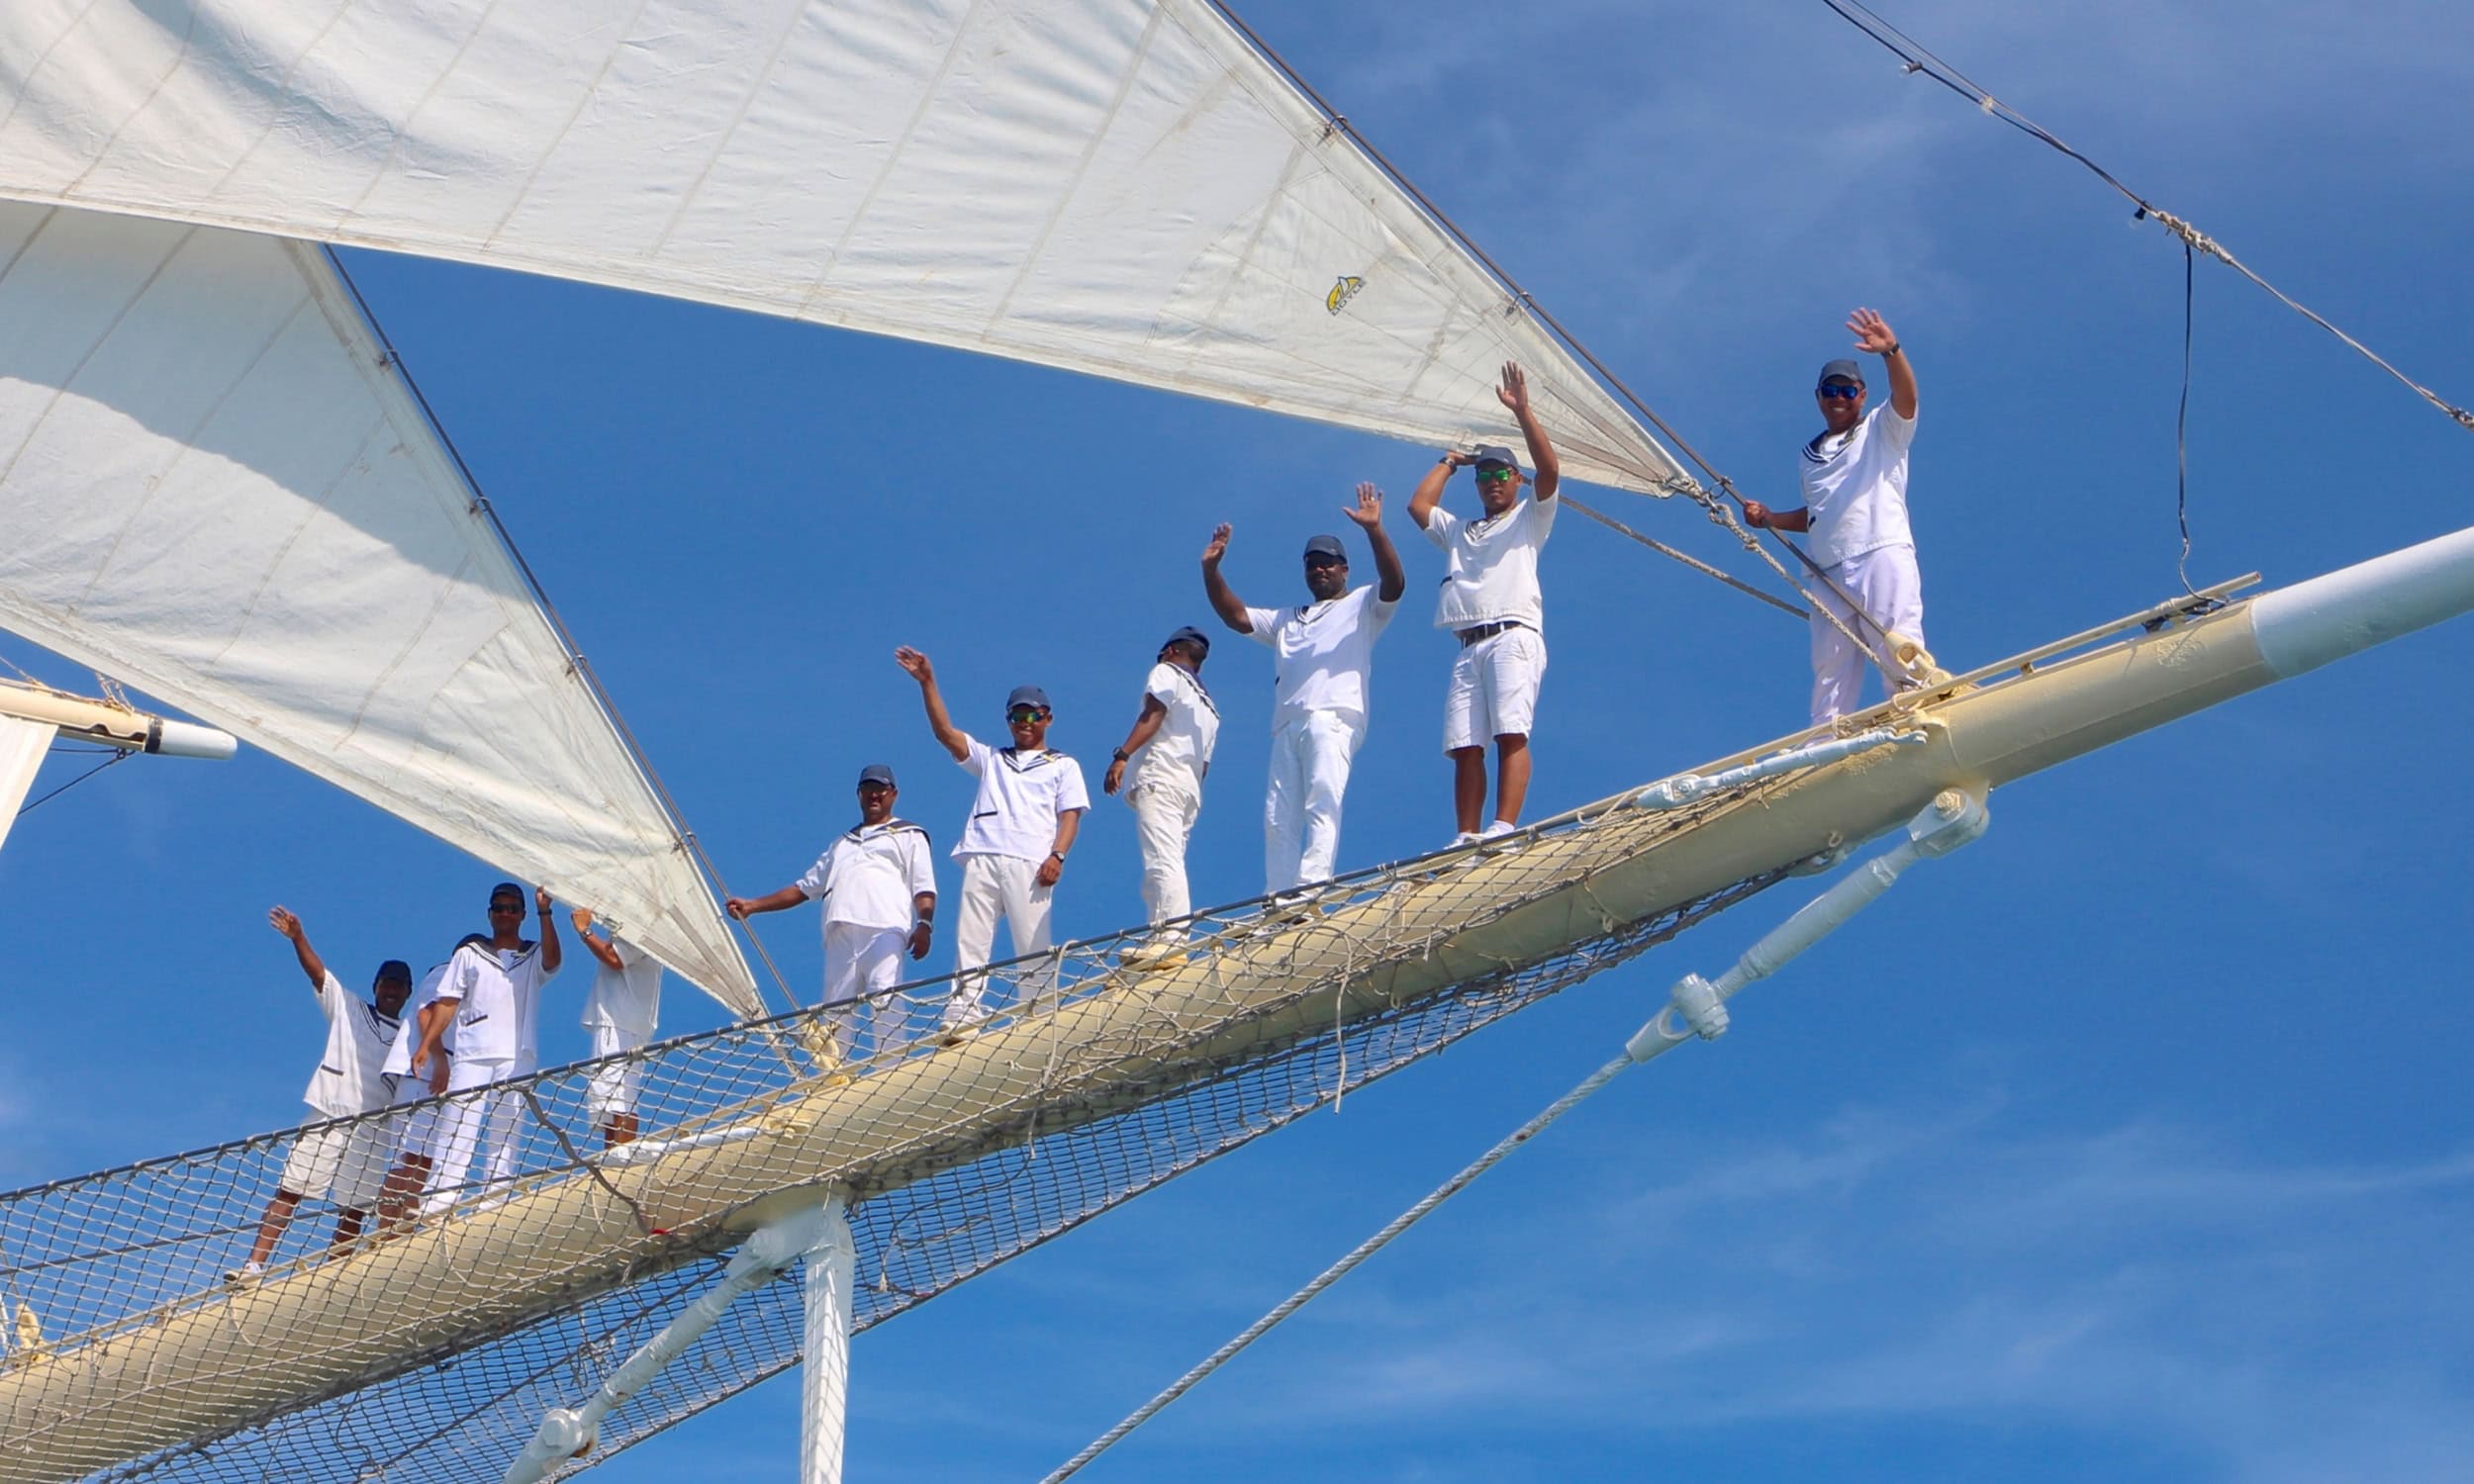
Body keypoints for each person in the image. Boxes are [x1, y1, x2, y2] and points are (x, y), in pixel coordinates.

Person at [1202, 481, 1404, 893]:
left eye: (1329, 563)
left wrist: (1374, 530)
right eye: (1313, 564)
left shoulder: (1362, 604)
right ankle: (1280, 898)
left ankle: (1310, 887)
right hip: (1287, 725)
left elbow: (1394, 583)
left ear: (1344, 569)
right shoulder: (1287, 619)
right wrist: (1211, 571)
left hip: (1334, 717)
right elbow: (1235, 616)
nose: (1320, 570)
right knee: (1278, 818)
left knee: (1323, 798)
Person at [1741, 307, 1925, 726]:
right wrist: (1771, 518)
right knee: (1830, 664)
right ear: (1819, 397)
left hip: (1878, 549)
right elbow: (1817, 515)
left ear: (1862, 395)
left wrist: (1891, 352)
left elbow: (1907, 399)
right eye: (1831, 390)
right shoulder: (1810, 456)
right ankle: (1826, 735)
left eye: (1848, 391)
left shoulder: (1881, 429)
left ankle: (1915, 706)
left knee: (1898, 640)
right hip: (1827, 569)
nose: (1839, 398)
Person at [893, 650, 1088, 1036]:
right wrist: (928, 682)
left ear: (1047, 718)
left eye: (1032, 716)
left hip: (1031, 861)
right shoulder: (993, 759)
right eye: (1017, 717)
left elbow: (1070, 816)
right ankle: (963, 1013)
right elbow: (946, 734)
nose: (1024, 724)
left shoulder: (1063, 765)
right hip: (983, 855)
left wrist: (1058, 855)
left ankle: (1038, 1015)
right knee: (971, 940)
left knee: (1033, 942)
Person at [1406, 362, 1562, 843]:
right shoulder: (1461, 531)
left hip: (1512, 634)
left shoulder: (1529, 519)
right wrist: (1452, 461)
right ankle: (1467, 835)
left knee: (1511, 732)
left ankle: (1502, 826)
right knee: (1465, 745)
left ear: (1516, 479)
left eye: (1501, 474)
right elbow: (1418, 506)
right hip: (1468, 644)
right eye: (1486, 476)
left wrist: (1522, 413)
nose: (1493, 481)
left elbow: (1549, 471)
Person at [229, 908, 412, 1283]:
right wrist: (298, 937)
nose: (391, 991)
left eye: (398, 986)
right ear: (376, 986)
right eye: (386, 984)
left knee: (355, 1207)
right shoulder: (351, 1008)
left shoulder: (410, 1036)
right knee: (292, 1188)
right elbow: (319, 975)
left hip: (374, 1128)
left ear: (408, 992)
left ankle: (334, 1274)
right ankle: (254, 1265)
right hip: (329, 1113)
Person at [726, 764, 936, 1060]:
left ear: (893, 794)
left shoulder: (908, 834)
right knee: (836, 1007)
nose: (874, 795)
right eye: (868, 789)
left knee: (885, 993)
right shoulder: (842, 844)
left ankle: (891, 1063)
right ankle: (833, 1069)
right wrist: (753, 905)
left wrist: (925, 924)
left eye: (881, 789)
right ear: (859, 794)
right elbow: (803, 888)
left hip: (885, 925)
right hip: (840, 928)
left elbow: (923, 885)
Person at [410, 882, 561, 1214]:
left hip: (517, 1054)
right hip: (473, 1052)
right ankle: (441, 1198)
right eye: (499, 908)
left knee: (506, 1130)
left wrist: (545, 911)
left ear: (522, 915)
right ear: (489, 914)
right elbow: (447, 1003)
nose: (505, 914)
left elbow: (552, 961)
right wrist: (426, 1044)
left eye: (512, 909)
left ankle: (494, 1200)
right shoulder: (469, 953)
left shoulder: (532, 954)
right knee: (457, 1122)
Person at [1102, 626, 1219, 962]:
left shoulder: (1167, 672)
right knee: (1167, 861)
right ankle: (1161, 935)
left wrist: (1122, 755)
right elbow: (1204, 765)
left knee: (1161, 861)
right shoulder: (1210, 708)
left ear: (1169, 652)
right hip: (1188, 788)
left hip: (1161, 777)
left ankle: (1171, 939)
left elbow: (1154, 712)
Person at [371, 937, 481, 1231]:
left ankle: (399, 1228)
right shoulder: (446, 972)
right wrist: (440, 1060)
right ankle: (389, 1230)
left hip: (433, 1077)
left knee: (423, 1157)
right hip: (424, 1075)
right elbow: (426, 1014)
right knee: (413, 1156)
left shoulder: (466, 982)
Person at [569, 910, 662, 1146]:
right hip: (626, 1023)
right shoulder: (639, 927)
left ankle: (620, 1156)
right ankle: (614, 1154)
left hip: (618, 1022)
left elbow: (614, 958)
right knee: (615, 1097)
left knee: (616, 1096)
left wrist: (584, 930)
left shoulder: (638, 926)